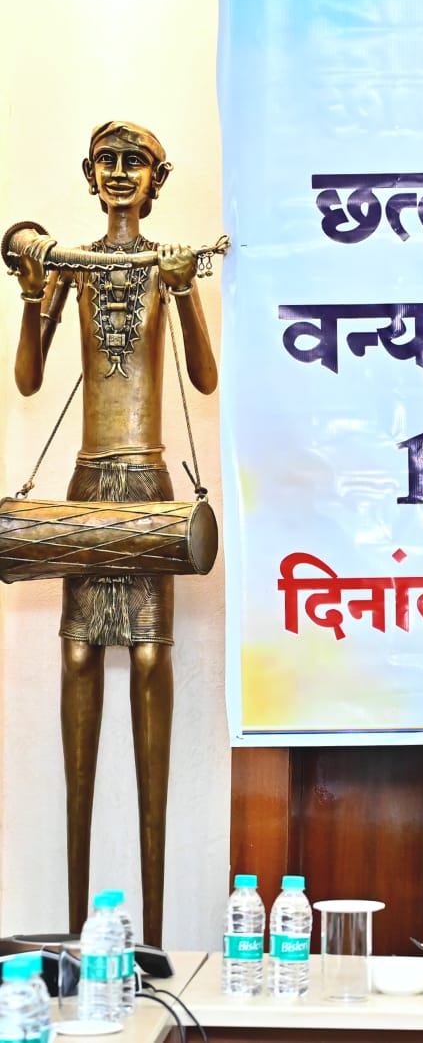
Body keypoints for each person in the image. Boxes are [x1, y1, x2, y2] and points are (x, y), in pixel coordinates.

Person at [10, 121, 218, 946]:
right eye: (108, 161)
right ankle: (74, 932)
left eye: (136, 162)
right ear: (89, 173)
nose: (121, 173)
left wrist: (184, 288)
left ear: (157, 179)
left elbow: (204, 376)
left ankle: (154, 935)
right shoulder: (74, 265)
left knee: (152, 661)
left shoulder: (164, 262)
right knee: (75, 657)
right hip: (88, 480)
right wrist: (33, 290)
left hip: (148, 481)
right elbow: (29, 379)